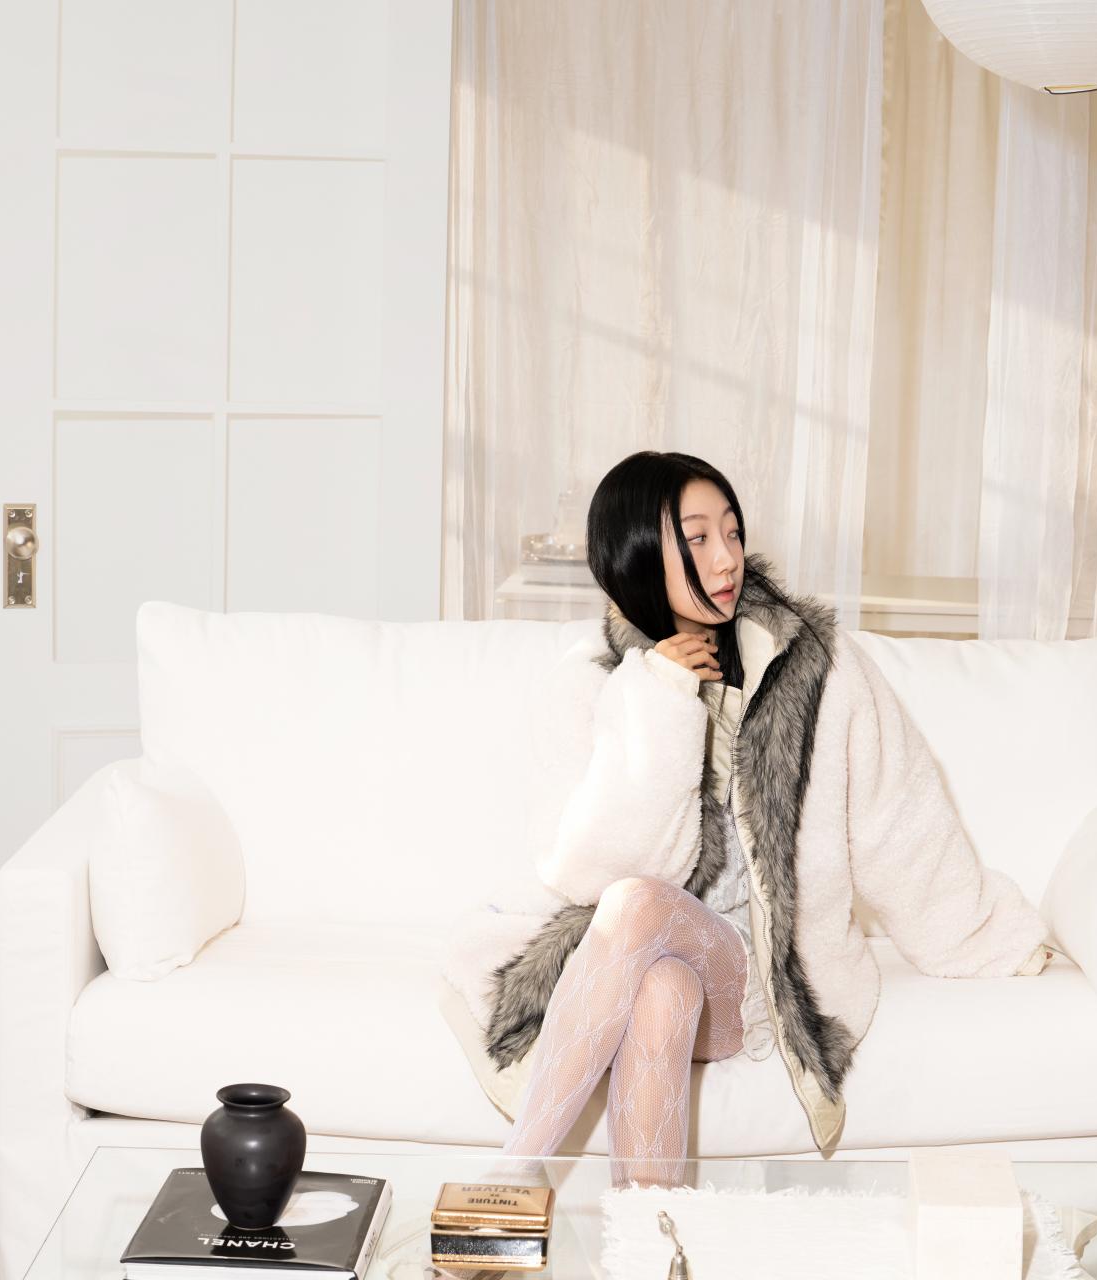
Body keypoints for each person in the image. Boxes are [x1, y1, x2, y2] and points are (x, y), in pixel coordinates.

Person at [441, 450, 1050, 1185]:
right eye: (697, 538)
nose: (726, 557)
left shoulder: (813, 665)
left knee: (643, 917)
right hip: (629, 957)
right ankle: (650, 1232)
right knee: (661, 986)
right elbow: (588, 872)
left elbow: (898, 817)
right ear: (637, 554)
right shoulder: (587, 683)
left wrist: (982, 933)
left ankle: (515, 1174)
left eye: (731, 532)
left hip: (754, 974)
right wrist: (662, 695)